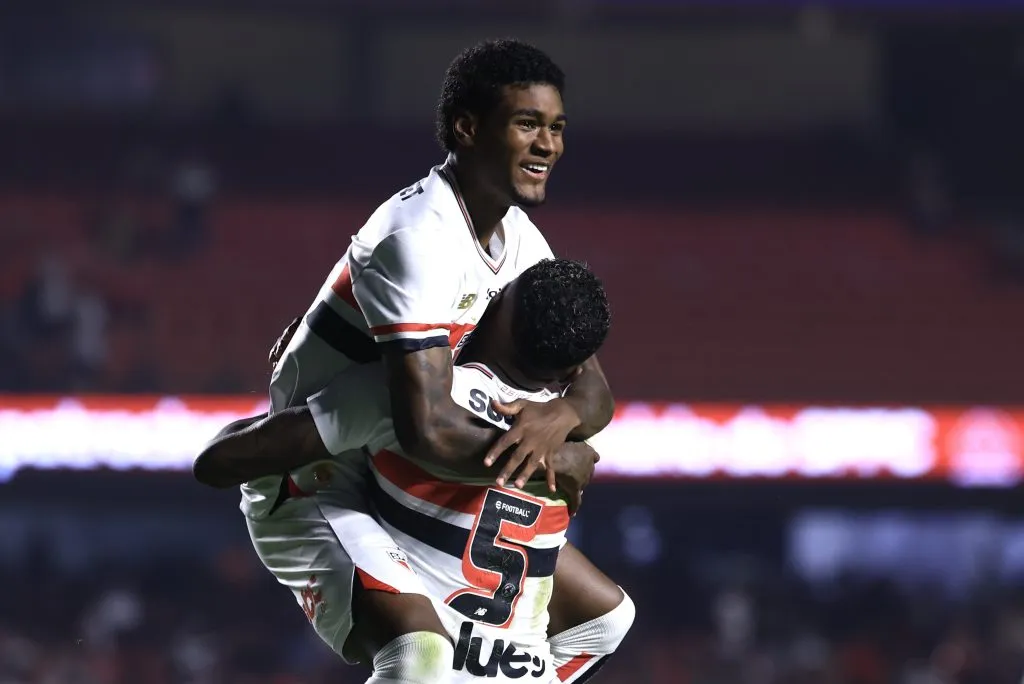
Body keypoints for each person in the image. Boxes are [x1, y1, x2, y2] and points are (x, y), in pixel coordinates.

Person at [235, 39, 630, 682]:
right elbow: (428, 430)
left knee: (603, 621)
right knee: (421, 659)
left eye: (557, 127)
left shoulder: (519, 238)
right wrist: (552, 459)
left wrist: (556, 420)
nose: (548, 145)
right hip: (319, 476)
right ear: (467, 128)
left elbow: (594, 392)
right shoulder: (417, 236)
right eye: (527, 123)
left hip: (402, 467)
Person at [196, 259, 633, 683]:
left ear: (495, 305)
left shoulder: (412, 399)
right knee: (611, 618)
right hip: (521, 667)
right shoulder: (577, 442)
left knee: (418, 655)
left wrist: (316, 365)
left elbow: (218, 462)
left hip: (431, 659)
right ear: (574, 370)